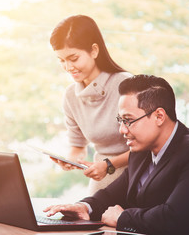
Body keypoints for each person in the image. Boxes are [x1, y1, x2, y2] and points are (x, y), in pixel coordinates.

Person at [44, 75, 189, 235]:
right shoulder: (141, 151)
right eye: (120, 120)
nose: (122, 129)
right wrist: (84, 207)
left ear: (159, 116)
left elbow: (176, 219)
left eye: (128, 120)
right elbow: (112, 194)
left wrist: (122, 218)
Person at [49, 15, 131, 194]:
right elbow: (78, 147)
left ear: (94, 50)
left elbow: (150, 148)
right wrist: (70, 160)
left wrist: (108, 164)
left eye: (73, 58)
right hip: (101, 186)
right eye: (62, 60)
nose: (68, 67)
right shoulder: (71, 96)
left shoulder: (126, 85)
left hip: (136, 182)